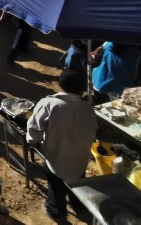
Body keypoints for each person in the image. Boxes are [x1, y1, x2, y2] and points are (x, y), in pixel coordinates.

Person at [27, 70, 97, 219]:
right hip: (80, 159)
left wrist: (32, 140)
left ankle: (56, 211)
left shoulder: (50, 104)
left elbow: (34, 128)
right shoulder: (88, 107)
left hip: (56, 159)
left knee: (56, 186)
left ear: (61, 85)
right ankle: (79, 206)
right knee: (77, 184)